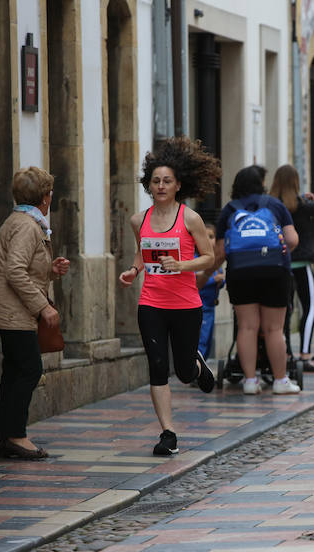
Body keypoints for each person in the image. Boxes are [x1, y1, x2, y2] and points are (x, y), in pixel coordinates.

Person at [118, 137, 219, 457]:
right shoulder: (139, 220)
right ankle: (168, 433)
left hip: (186, 304)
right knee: (157, 366)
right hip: (151, 303)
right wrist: (133, 271)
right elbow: (141, 253)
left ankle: (197, 366)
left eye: (167, 181)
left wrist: (181, 265)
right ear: (149, 185)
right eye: (155, 181)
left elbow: (209, 257)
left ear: (178, 185)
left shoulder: (190, 219)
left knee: (184, 373)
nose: (160, 186)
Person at [0, 166, 71, 460]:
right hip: (13, 312)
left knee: (15, 371)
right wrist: (43, 306)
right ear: (46, 197)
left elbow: (25, 267)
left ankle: (8, 438)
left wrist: (51, 270)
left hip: (13, 310)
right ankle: (16, 436)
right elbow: (14, 271)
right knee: (29, 369)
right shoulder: (26, 225)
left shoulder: (22, 221)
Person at [214, 165, 300, 395]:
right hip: (274, 269)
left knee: (247, 327)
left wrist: (205, 274)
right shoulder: (274, 205)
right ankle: (280, 381)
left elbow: (220, 250)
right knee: (274, 329)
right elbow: (292, 239)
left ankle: (250, 381)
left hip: (240, 271)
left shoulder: (230, 209)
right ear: (261, 184)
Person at [269, 164, 314, 372]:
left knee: (284, 310)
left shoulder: (270, 205)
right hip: (302, 264)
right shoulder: (302, 204)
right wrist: (308, 201)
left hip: (279, 263)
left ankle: (287, 354)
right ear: (295, 182)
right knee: (310, 307)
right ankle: (305, 355)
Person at [195, 223, 225, 359]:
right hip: (200, 306)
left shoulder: (215, 260)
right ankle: (197, 369)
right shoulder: (196, 259)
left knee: (207, 341)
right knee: (200, 340)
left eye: (211, 237)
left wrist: (221, 280)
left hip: (211, 306)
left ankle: (202, 367)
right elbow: (196, 281)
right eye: (204, 236)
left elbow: (220, 282)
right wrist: (214, 280)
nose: (208, 240)